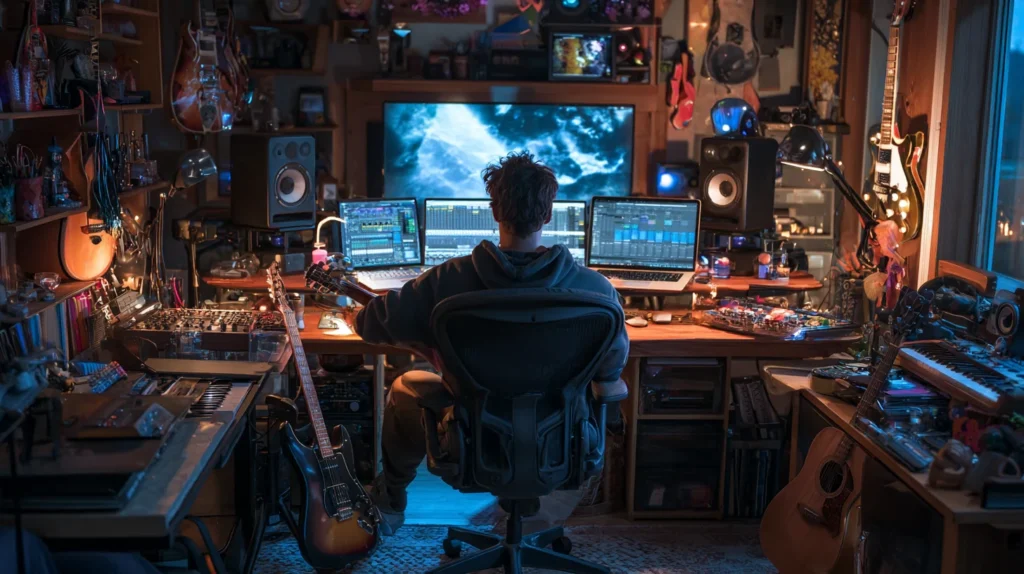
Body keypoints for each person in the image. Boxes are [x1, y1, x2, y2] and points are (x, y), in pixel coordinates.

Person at [354, 151, 629, 533]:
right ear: (549, 214)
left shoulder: (447, 279)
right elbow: (611, 371)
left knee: (404, 387)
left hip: (469, 442)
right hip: (558, 444)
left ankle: (391, 503)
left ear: (494, 211)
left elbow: (370, 324)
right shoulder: (596, 291)